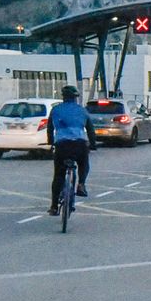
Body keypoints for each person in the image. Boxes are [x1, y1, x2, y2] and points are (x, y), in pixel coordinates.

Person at [46, 85, 97, 216]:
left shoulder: (55, 110)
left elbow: (50, 129)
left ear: (63, 97)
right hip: (79, 145)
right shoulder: (82, 110)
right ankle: (81, 184)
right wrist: (93, 144)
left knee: (58, 175)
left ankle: (54, 207)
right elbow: (90, 129)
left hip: (62, 146)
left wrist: (51, 143)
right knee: (83, 163)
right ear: (75, 98)